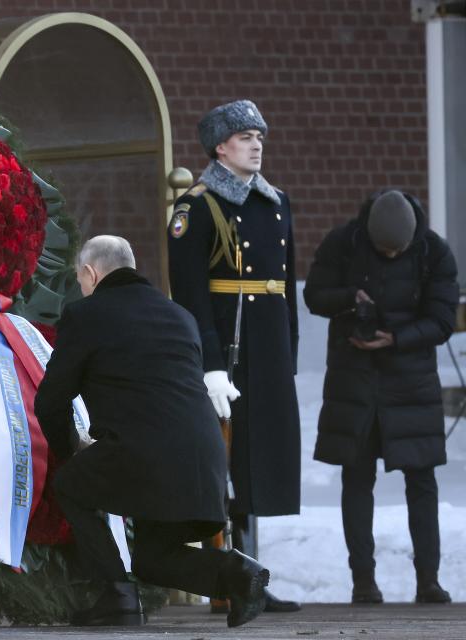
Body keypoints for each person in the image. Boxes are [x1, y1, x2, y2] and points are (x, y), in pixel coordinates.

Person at [34, 235, 272, 629]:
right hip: (204, 462)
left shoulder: (86, 315)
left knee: (70, 483)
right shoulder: (180, 316)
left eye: (81, 280)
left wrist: (71, 452)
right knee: (152, 559)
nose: (82, 288)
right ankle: (237, 573)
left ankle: (117, 593)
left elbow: (50, 401)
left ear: (91, 273)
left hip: (143, 458)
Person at [166, 99, 301, 612]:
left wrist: (289, 351)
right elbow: (191, 292)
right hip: (229, 351)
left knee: (259, 465)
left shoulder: (276, 202)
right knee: (226, 466)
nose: (256, 145)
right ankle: (230, 581)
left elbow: (283, 286)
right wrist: (210, 363)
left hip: (267, 351)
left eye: (259, 137)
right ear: (220, 147)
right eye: (245, 137)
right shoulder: (197, 207)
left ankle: (251, 580)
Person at [303, 190, 457, 604]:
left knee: (421, 480)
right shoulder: (344, 242)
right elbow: (314, 296)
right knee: (357, 478)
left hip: (412, 380)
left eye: (398, 250)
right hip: (355, 378)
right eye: (383, 249)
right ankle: (364, 582)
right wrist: (350, 298)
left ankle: (429, 580)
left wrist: (397, 338)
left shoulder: (434, 252)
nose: (391, 256)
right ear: (369, 236)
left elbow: (443, 320)